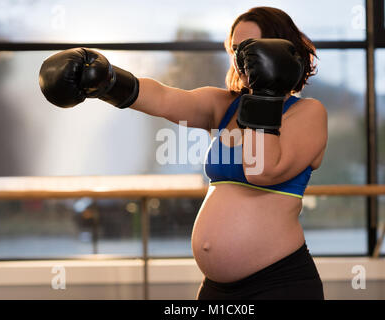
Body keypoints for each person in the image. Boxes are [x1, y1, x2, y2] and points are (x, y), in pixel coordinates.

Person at [38, 6, 327, 300]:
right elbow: (165, 98)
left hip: (279, 283)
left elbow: (262, 170)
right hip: (217, 288)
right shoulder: (224, 105)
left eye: (252, 49)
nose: (244, 61)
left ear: (282, 51)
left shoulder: (307, 113)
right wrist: (107, 81)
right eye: (237, 50)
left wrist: (267, 94)